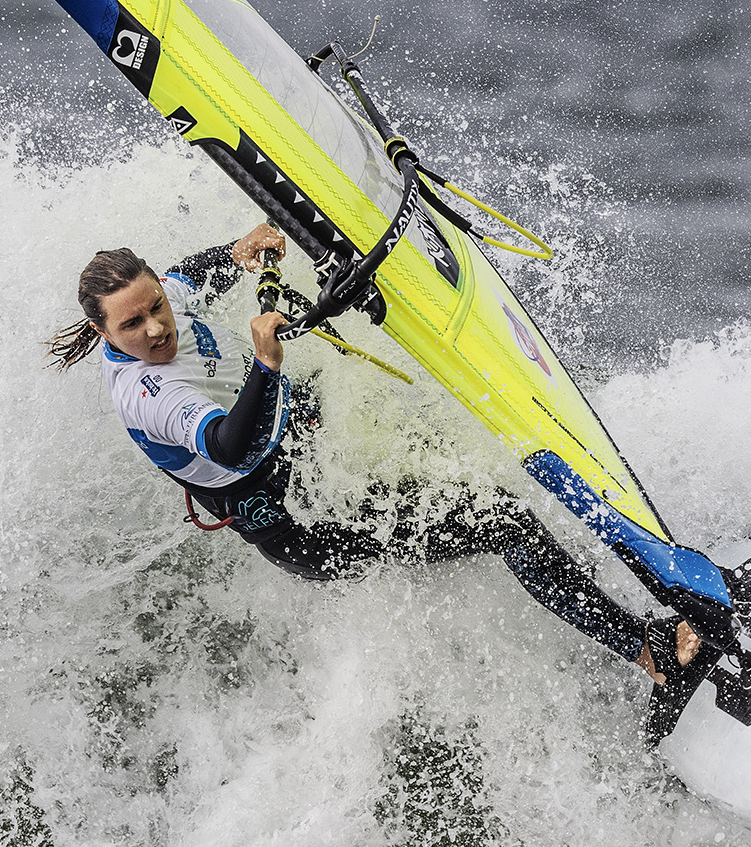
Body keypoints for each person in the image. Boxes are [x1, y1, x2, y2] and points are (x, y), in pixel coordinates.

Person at [46, 223, 701, 695]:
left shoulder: (163, 299)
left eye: (156, 308)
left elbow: (191, 273)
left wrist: (241, 250)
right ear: (104, 333)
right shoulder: (147, 394)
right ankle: (647, 653)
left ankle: (625, 584)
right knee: (506, 522)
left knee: (419, 426)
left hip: (309, 462)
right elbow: (228, 447)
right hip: (301, 526)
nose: (155, 328)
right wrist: (266, 362)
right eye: (131, 326)